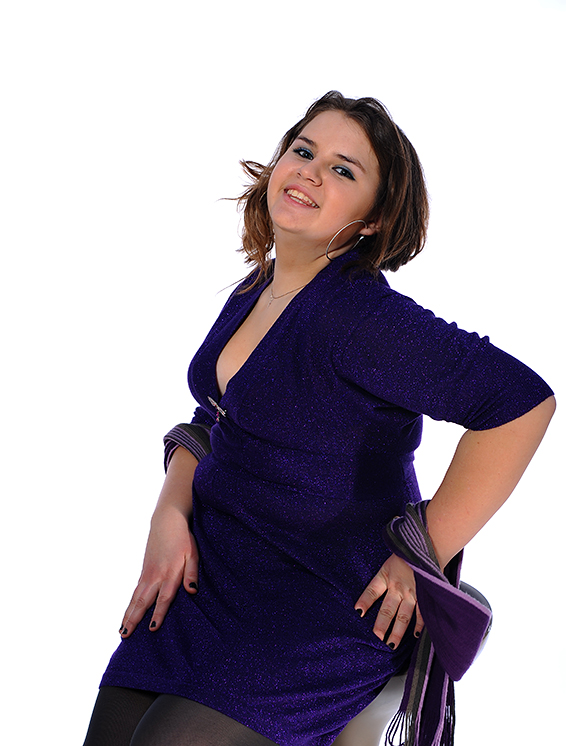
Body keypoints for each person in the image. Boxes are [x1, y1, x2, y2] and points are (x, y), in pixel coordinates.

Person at [82, 91, 555, 746]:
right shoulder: (259, 288)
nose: (309, 171)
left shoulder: (359, 317)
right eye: (303, 151)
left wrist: (426, 546)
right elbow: (216, 414)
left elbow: (521, 402)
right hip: (215, 579)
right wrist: (168, 512)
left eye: (342, 170)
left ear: (372, 220)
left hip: (322, 602)